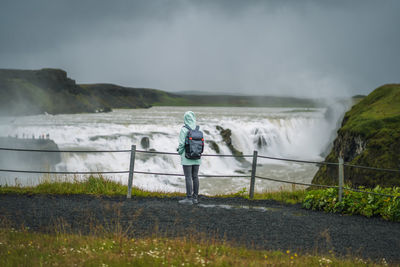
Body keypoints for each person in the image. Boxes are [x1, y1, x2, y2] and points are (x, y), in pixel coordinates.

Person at [177, 111, 201, 205]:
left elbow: (182, 144)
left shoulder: (184, 129)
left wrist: (179, 151)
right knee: (195, 176)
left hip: (187, 157)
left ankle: (188, 199)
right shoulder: (198, 128)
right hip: (197, 156)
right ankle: (195, 198)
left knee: (188, 177)